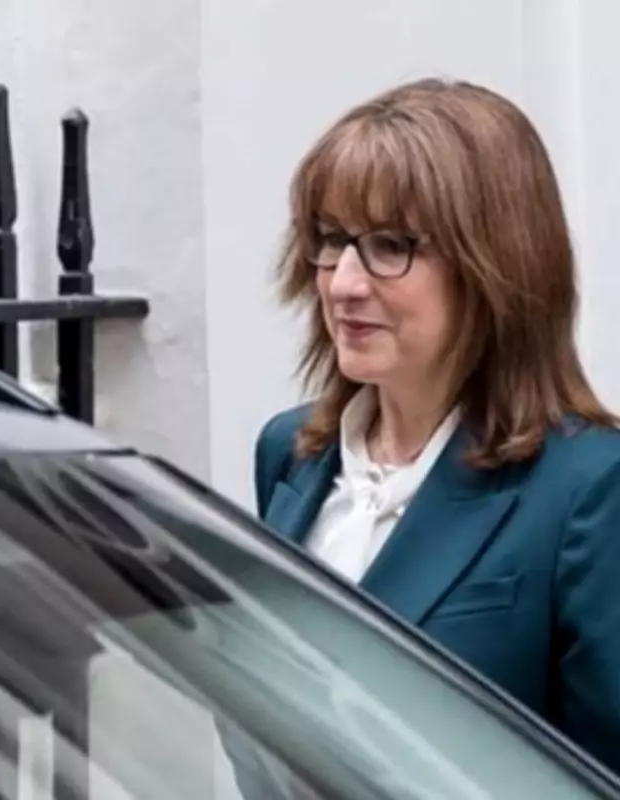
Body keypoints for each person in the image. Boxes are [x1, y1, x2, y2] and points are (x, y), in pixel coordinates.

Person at [254, 77, 620, 774]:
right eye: (332, 239)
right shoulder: (290, 453)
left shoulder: (592, 487)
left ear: (496, 263)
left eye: (391, 244)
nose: (344, 283)